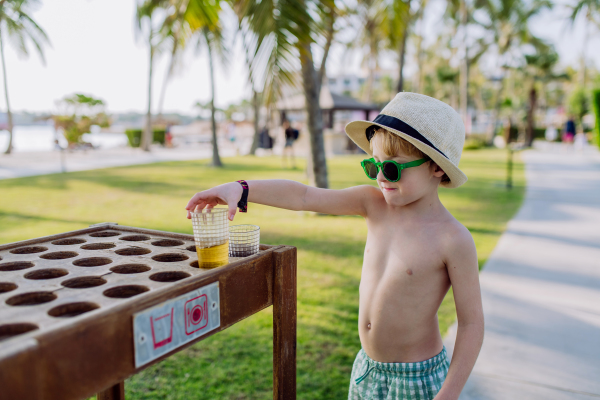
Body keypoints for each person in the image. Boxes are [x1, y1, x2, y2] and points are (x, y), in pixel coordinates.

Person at [185, 92, 484, 400]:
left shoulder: (453, 239)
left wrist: (449, 392)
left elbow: (472, 323)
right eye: (373, 165)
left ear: (436, 167)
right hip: (367, 370)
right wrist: (240, 188)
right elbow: (303, 196)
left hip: (417, 379)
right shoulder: (373, 204)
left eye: (392, 169)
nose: (380, 177)